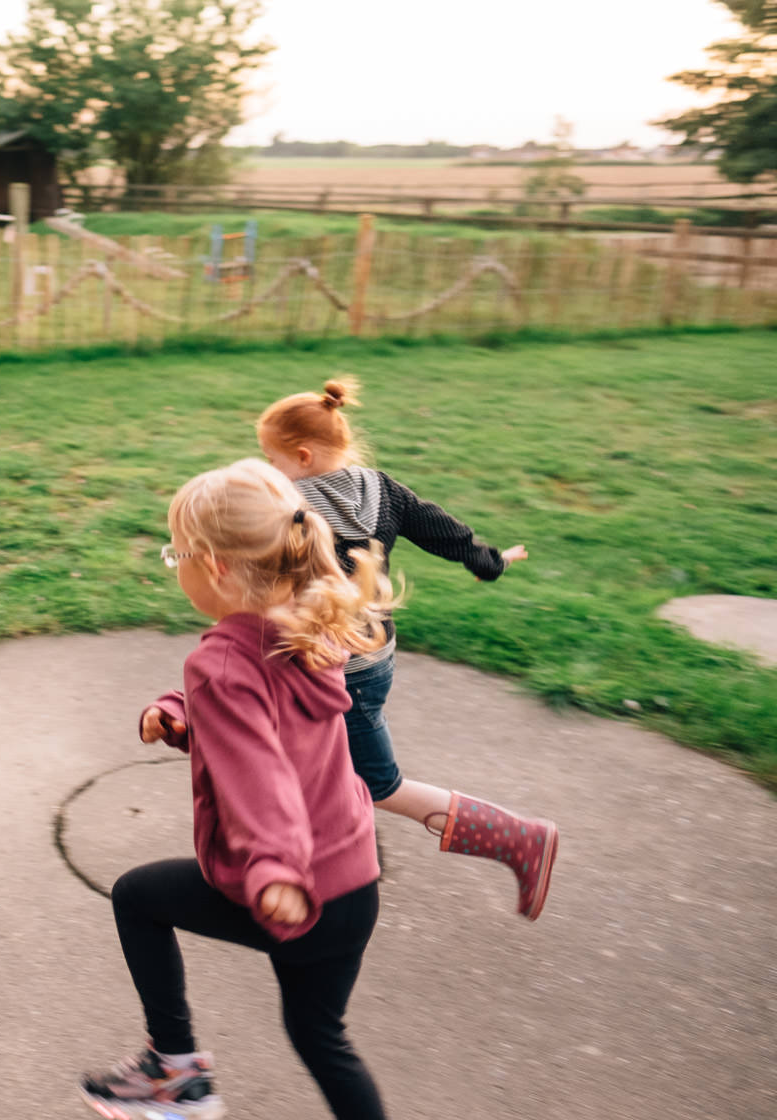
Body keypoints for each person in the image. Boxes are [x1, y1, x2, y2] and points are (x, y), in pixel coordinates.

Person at [81, 459, 392, 1120]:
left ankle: (174, 1075)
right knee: (321, 1038)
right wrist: (183, 709)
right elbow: (266, 719)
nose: (175, 566)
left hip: (294, 892)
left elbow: (258, 769)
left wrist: (275, 867)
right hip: (353, 882)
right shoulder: (310, 624)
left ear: (216, 566)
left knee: (137, 898)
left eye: (177, 555)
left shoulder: (220, 663)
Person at [255, 378, 556, 920]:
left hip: (332, 663)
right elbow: (441, 529)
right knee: (311, 756)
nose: (268, 468)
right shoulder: (380, 489)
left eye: (271, 458)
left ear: (301, 456)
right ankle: (339, 856)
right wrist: (488, 560)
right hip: (372, 656)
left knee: (378, 782)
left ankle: (519, 839)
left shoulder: (289, 505)